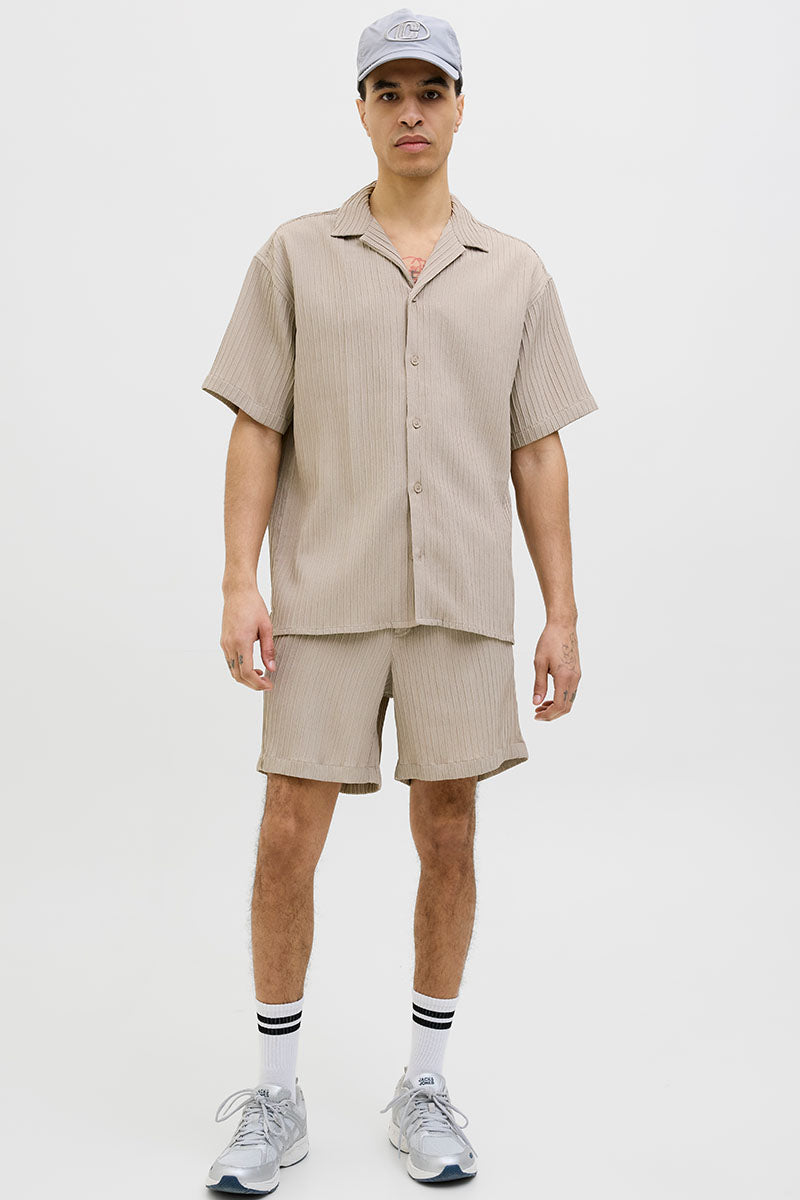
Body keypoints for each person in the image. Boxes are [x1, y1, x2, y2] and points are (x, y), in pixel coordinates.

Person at [200, 6, 599, 1193]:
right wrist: (238, 579)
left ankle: (424, 1084)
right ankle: (274, 1099)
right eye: (390, 92)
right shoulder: (292, 255)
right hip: (323, 594)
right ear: (362, 110)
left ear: (460, 107)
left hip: (460, 601)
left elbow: (537, 448)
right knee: (288, 831)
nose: (411, 111)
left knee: (450, 831)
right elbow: (256, 425)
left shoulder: (513, 271)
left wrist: (561, 610)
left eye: (431, 90)